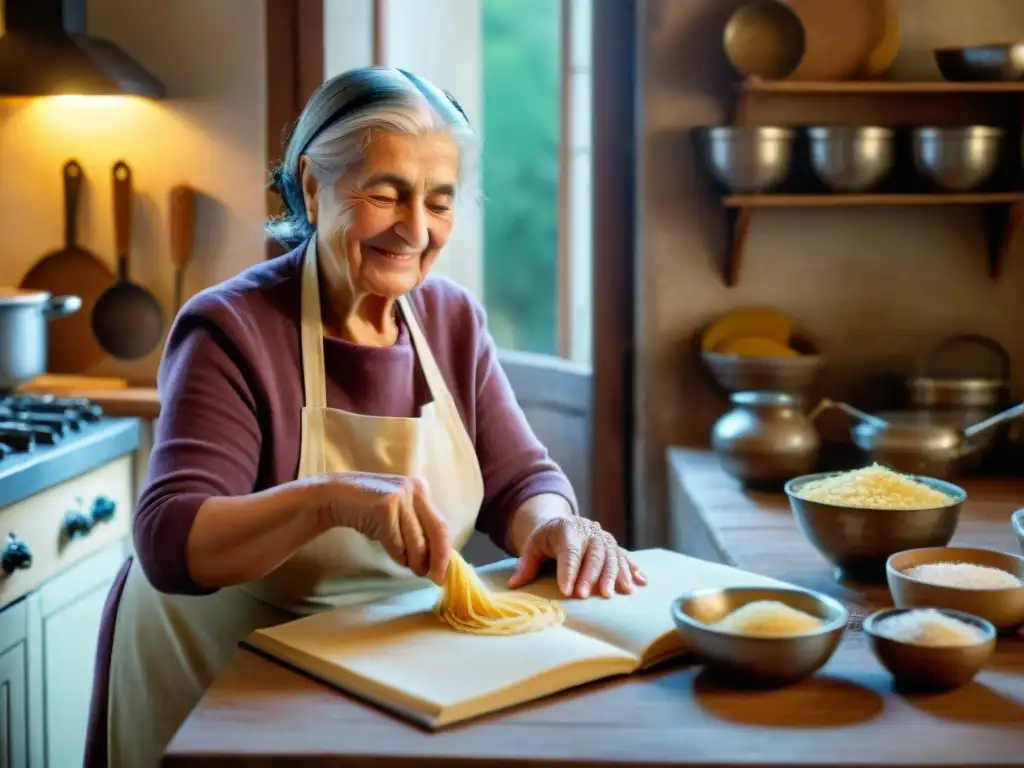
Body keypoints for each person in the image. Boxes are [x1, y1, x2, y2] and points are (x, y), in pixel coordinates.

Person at [84, 66, 645, 767]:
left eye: (439, 203)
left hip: (373, 681)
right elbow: (169, 537)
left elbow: (519, 478)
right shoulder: (231, 328)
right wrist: (333, 501)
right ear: (313, 189)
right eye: (387, 195)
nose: (415, 230)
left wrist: (555, 524)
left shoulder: (452, 321)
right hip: (217, 687)